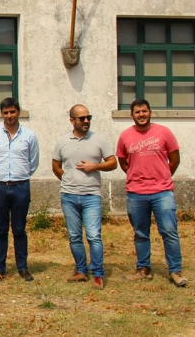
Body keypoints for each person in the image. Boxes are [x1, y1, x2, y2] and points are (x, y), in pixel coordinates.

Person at [116, 99, 188, 287]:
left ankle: (175, 271)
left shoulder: (164, 132)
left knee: (169, 231)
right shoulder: (125, 136)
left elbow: (174, 159)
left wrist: (162, 176)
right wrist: (137, 175)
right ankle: (143, 269)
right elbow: (123, 162)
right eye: (138, 112)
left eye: (145, 111)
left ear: (150, 112)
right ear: (132, 115)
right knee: (140, 233)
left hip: (162, 192)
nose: (141, 115)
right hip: (136, 193)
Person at [52, 104, 117, 289]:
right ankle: (81, 270)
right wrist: (67, 179)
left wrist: (94, 167)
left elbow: (113, 163)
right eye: (82, 118)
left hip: (91, 196)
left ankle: (98, 273)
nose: (86, 121)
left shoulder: (99, 140)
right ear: (72, 120)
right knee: (74, 236)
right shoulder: (62, 141)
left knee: (94, 235)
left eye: (88, 117)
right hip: (69, 196)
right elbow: (56, 165)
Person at [0, 97, 40, 282]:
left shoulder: (29, 135)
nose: (9, 116)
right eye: (6, 113)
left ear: (18, 112)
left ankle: (22, 267)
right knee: (0, 230)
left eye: (12, 112)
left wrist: (19, 175)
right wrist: (0, 175)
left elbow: (33, 162)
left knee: (19, 229)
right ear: (2, 114)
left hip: (21, 186)